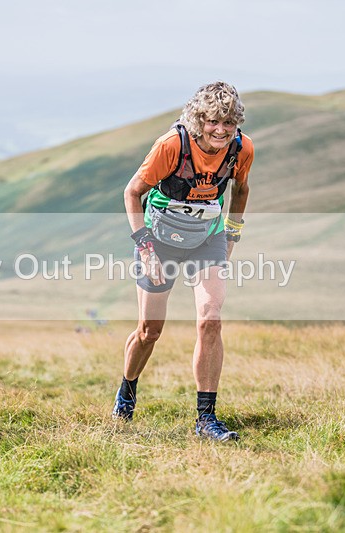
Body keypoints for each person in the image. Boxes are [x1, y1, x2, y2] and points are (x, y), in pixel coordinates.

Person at [112, 81, 255, 442]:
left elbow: (241, 188)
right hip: (158, 241)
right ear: (198, 120)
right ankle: (127, 391)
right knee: (150, 331)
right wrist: (144, 248)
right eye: (213, 122)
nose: (221, 130)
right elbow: (132, 192)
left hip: (207, 238)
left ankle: (206, 418)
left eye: (229, 123)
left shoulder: (242, 148)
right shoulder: (172, 145)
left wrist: (232, 233)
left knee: (211, 319)